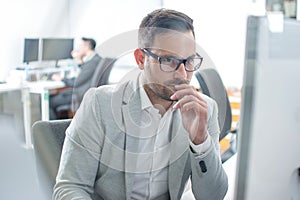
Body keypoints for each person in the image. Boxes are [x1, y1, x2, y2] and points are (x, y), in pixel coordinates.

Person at [53, 9, 228, 199]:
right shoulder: (99, 104)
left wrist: (201, 141)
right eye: (168, 60)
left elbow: (213, 196)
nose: (183, 74)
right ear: (141, 59)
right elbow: (69, 188)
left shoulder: (204, 110)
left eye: (189, 61)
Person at [49, 37, 102, 119]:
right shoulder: (96, 59)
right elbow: (85, 74)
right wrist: (80, 59)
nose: (78, 49)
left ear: (86, 47)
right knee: (56, 95)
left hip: (80, 94)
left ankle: (54, 129)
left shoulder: (92, 62)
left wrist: (61, 79)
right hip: (85, 92)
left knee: (50, 101)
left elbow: (77, 82)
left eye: (80, 46)